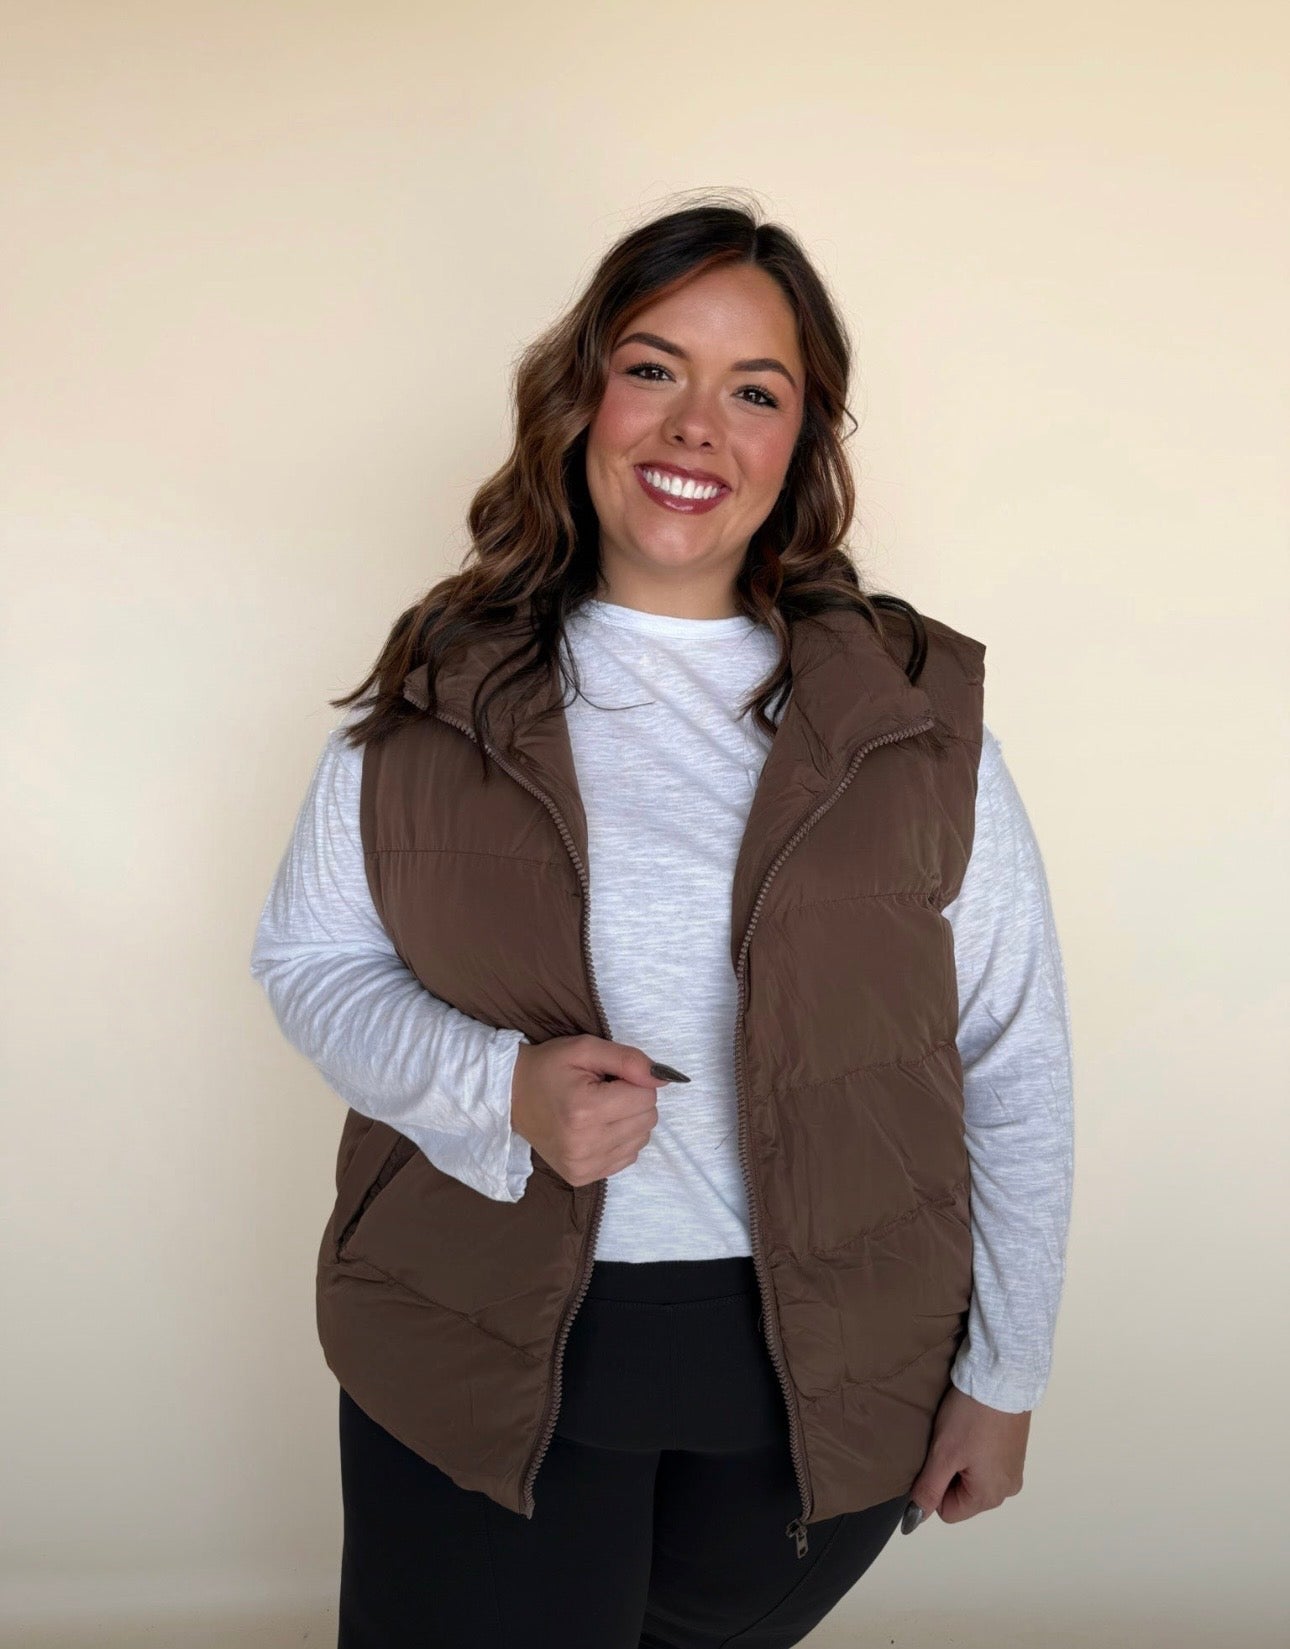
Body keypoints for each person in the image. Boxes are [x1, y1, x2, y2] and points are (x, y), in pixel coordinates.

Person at [250, 197, 1073, 1649]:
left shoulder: (911, 721)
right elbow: (311, 962)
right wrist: (493, 1087)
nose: (696, 425)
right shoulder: (438, 692)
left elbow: (1009, 1057)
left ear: (800, 444)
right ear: (581, 399)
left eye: (752, 391)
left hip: (815, 1368)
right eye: (653, 368)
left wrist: (1001, 1374)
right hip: (480, 1340)